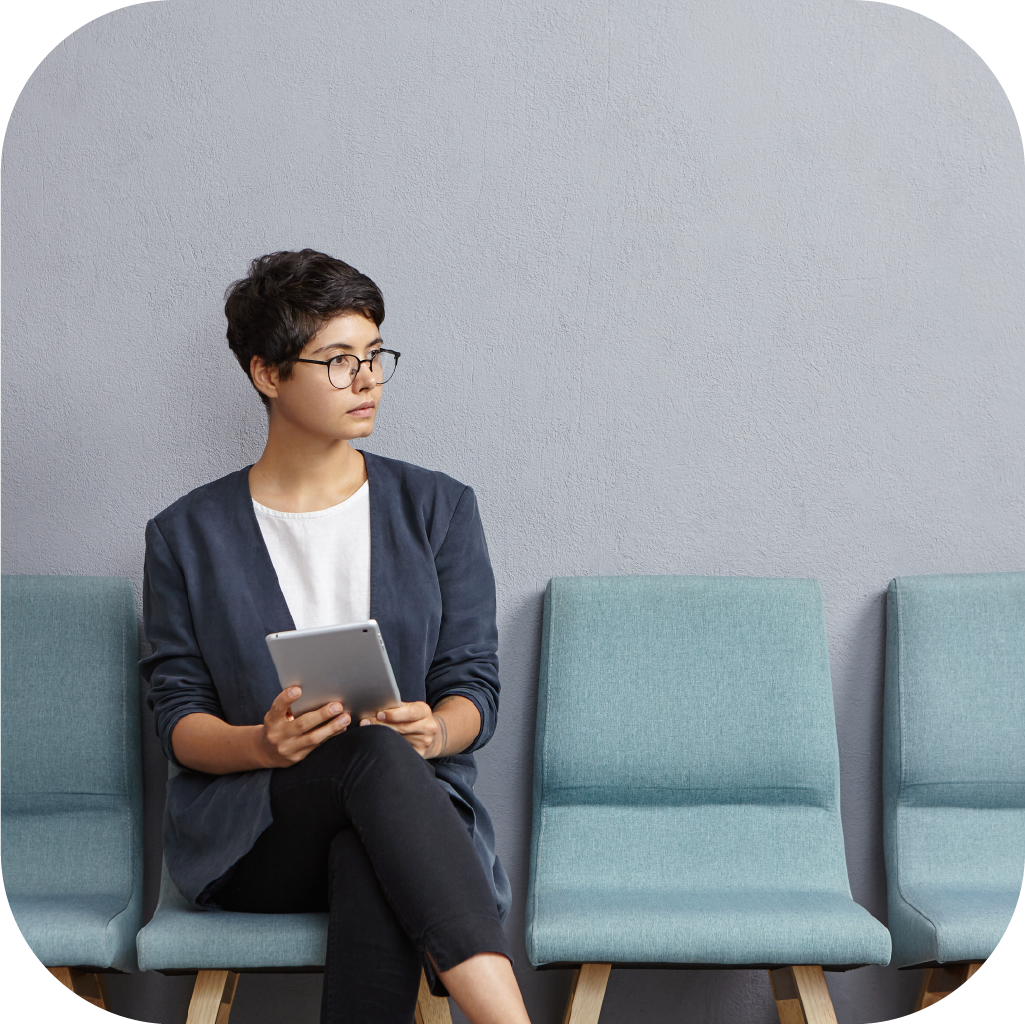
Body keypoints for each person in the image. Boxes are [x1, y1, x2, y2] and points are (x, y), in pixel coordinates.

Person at [140, 249, 530, 1024]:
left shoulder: (437, 508)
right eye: (339, 360)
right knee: (368, 760)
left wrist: (435, 728)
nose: (367, 380)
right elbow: (177, 719)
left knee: (370, 838)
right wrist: (264, 743)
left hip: (406, 821)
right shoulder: (185, 534)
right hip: (255, 839)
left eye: (375, 354)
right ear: (267, 374)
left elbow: (473, 686)